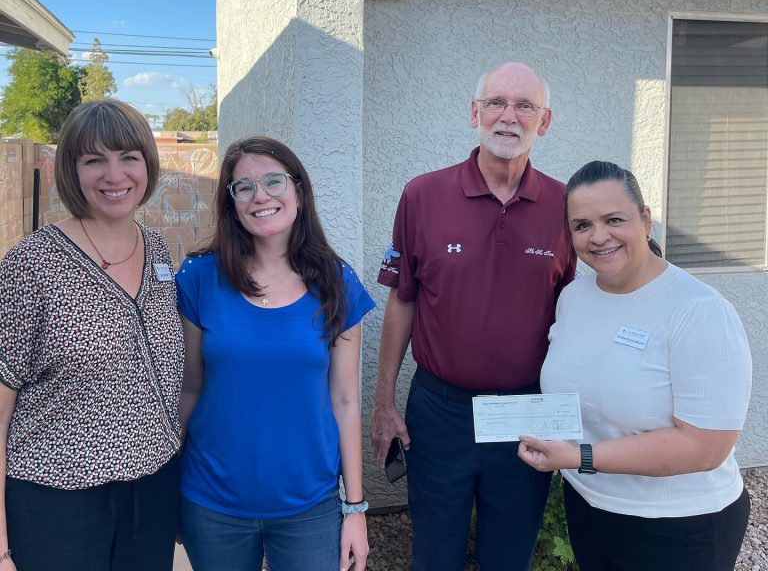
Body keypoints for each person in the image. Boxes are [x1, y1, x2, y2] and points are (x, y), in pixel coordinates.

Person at [371, 62, 577, 571]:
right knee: (434, 554)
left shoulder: (565, 206)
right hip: (441, 411)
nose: (509, 117)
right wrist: (382, 401)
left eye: (525, 106)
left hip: (527, 410)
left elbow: (578, 312)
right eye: (496, 103)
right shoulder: (423, 195)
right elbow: (402, 298)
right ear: (474, 113)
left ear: (544, 121)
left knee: (509, 556)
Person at [518, 160, 752, 571]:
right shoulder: (575, 296)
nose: (599, 236)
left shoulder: (699, 311)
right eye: (582, 225)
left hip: (679, 525)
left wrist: (578, 457)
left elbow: (705, 447)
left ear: (645, 220)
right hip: (590, 506)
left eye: (614, 219)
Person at [0, 99, 183, 571]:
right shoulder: (31, 265)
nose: (114, 174)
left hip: (152, 488)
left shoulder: (159, 250)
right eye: (94, 159)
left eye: (128, 156)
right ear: (72, 170)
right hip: (58, 498)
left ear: (147, 163)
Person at [177, 135, 374, 571]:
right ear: (231, 203)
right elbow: (190, 386)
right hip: (212, 504)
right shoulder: (199, 277)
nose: (259, 196)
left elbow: (344, 401)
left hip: (310, 505)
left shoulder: (337, 283)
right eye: (243, 187)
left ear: (299, 191)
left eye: (273, 181)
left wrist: (355, 509)